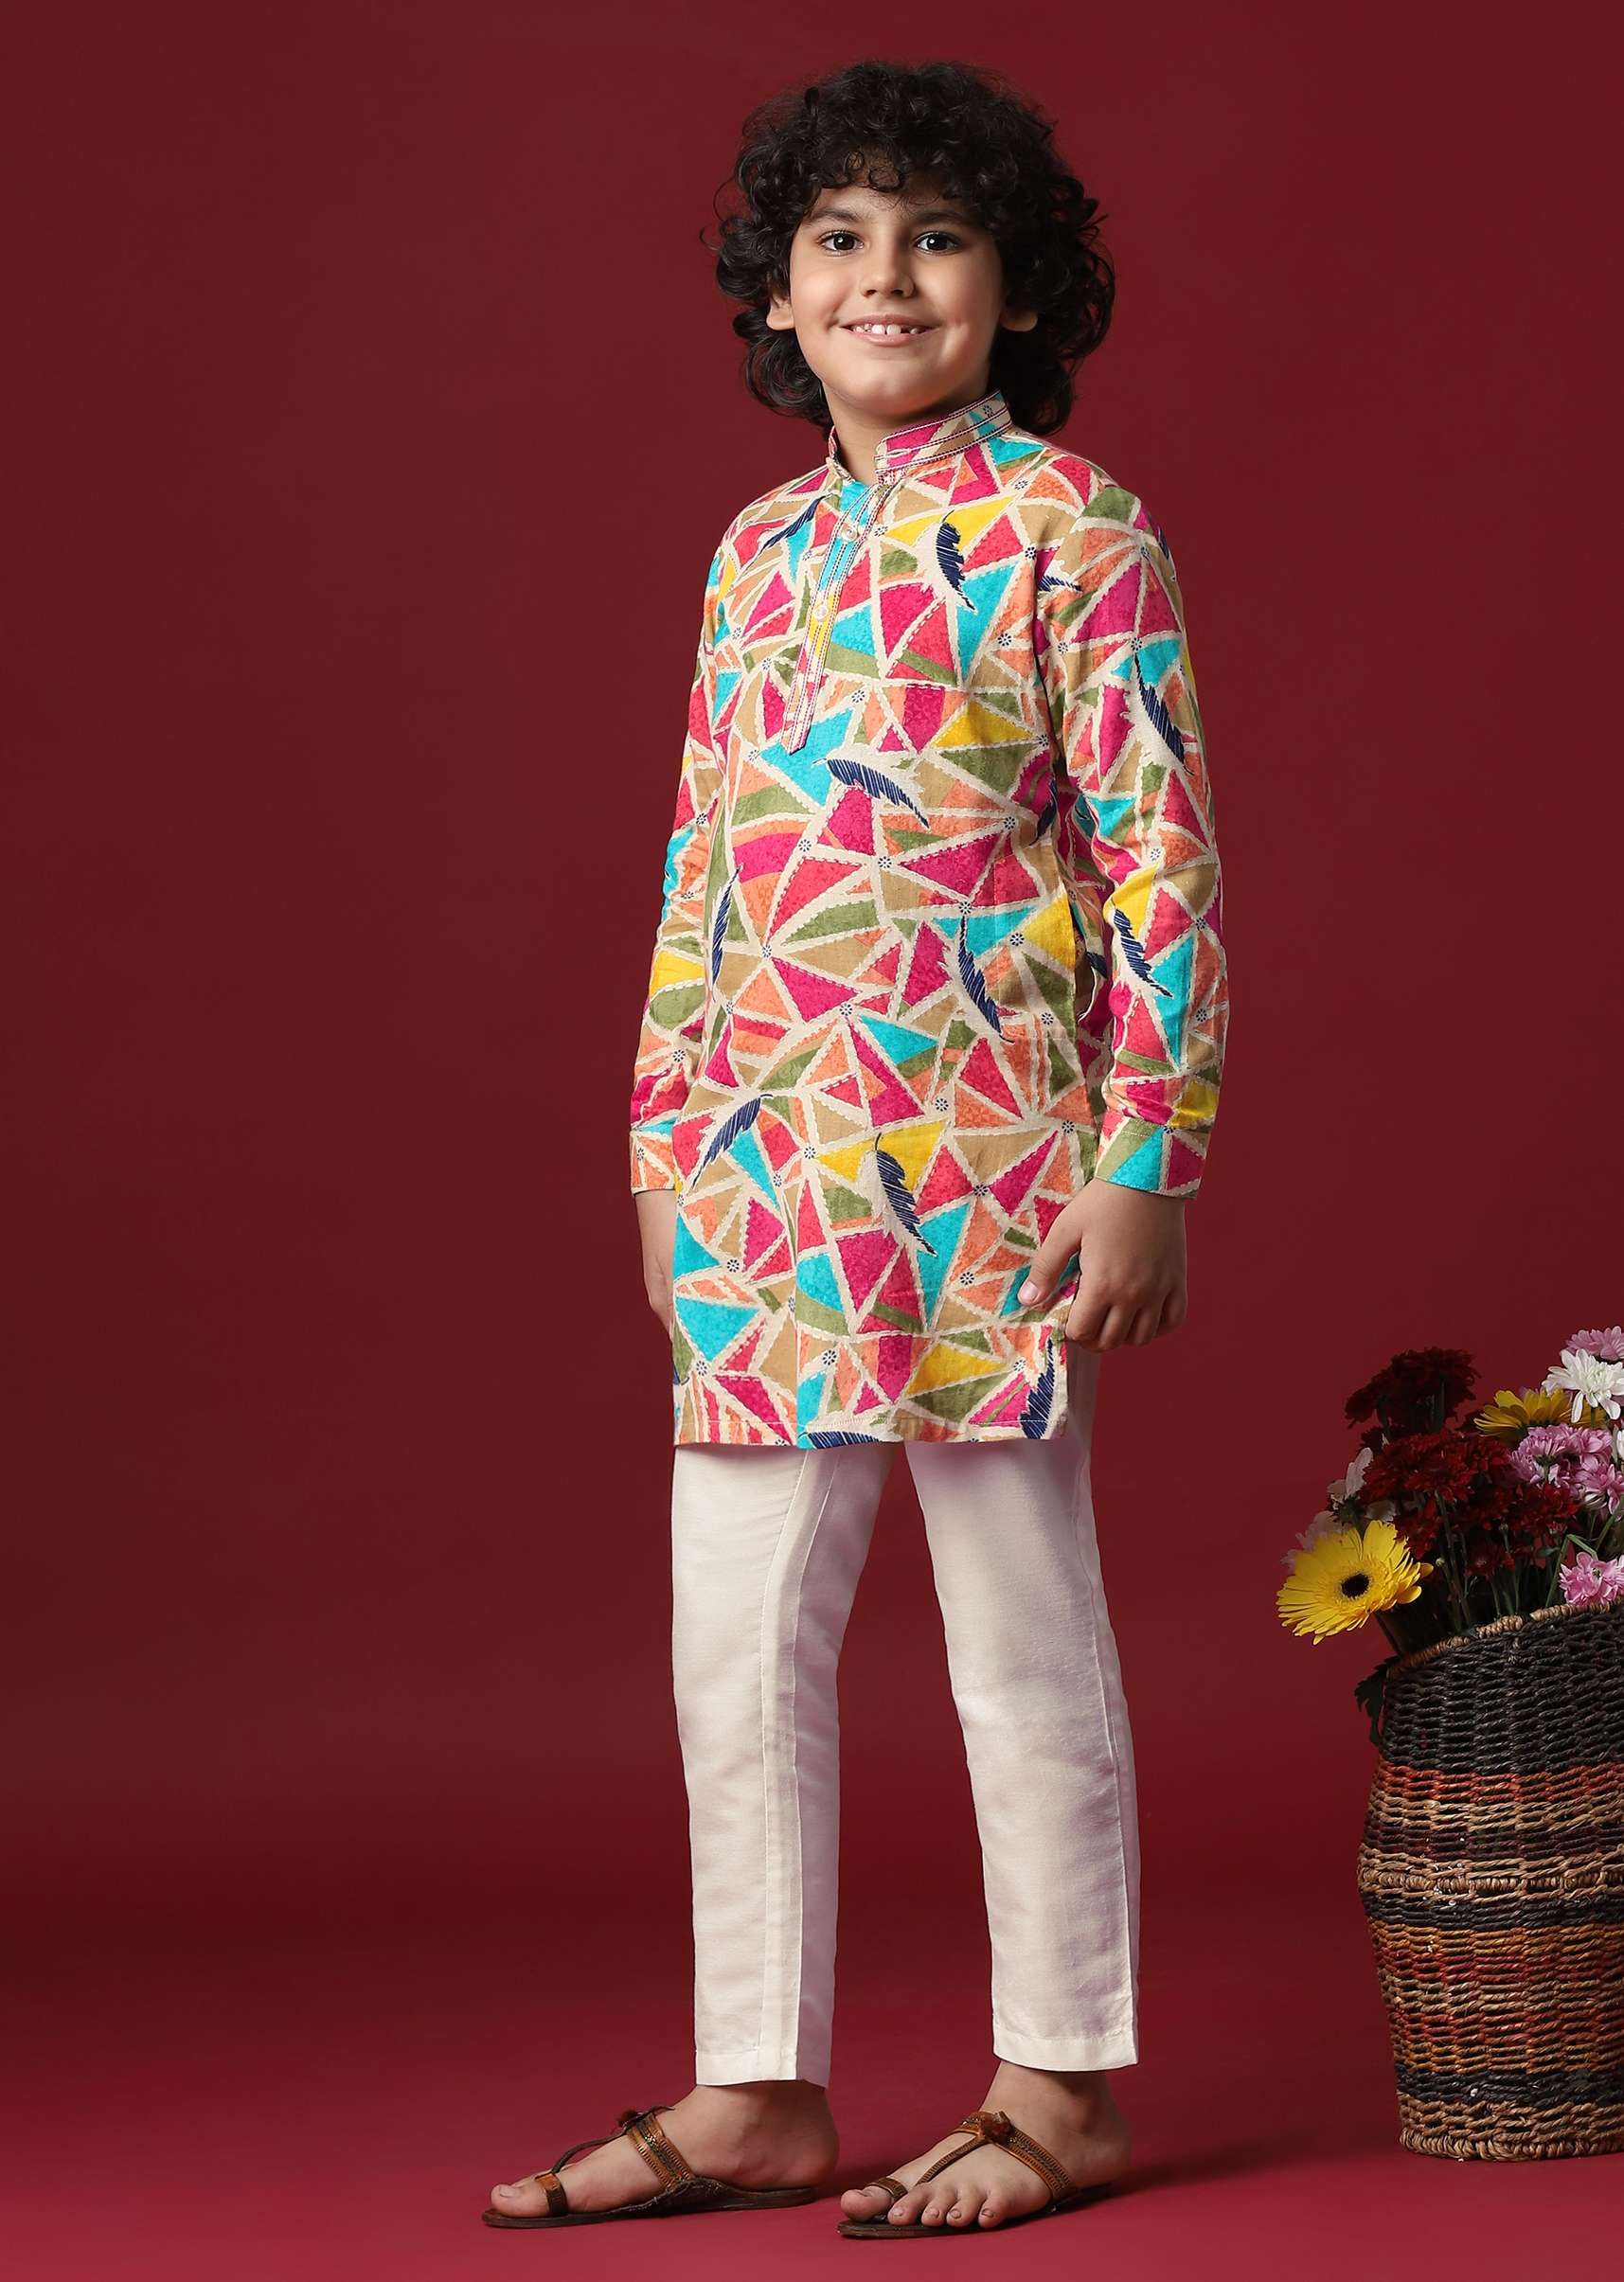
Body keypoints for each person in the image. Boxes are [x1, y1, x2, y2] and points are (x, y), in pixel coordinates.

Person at [486, 54, 1228, 2238]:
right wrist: (660, 1146)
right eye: (839, 239)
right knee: (735, 1645)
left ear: (1020, 287)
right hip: (761, 1172)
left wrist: (1149, 1155)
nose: (884, 277)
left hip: (994, 1169)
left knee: (1019, 1635)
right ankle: (758, 2086)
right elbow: (703, 872)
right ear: (777, 291)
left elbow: (1162, 865)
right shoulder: (757, 552)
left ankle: (1063, 2077)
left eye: (937, 236)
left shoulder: (1078, 531)